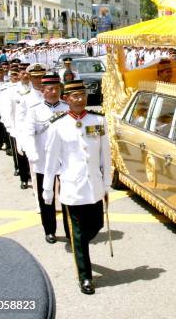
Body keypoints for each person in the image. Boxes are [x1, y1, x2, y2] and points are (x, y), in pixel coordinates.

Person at [42, 80, 111, 295]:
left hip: (95, 186)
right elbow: (51, 161)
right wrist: (47, 189)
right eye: (74, 96)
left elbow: (105, 156)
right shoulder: (58, 125)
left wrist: (107, 182)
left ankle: (79, 247)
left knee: (97, 224)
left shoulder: (98, 120)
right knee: (79, 234)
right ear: (66, 99)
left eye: (82, 95)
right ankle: (85, 277)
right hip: (73, 188)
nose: (79, 99)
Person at [24, 73, 70, 242]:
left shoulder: (67, 108)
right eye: (50, 89)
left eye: (57, 88)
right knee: (46, 197)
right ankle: (49, 230)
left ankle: (70, 229)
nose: (53, 92)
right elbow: (28, 134)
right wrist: (32, 153)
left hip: (65, 160)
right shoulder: (34, 111)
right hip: (43, 159)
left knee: (68, 196)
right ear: (42, 90)